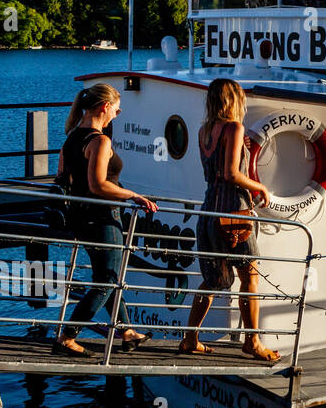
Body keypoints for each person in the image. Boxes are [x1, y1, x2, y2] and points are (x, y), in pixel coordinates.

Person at [53, 85, 158, 357]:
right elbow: (99, 184)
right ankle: (67, 336)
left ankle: (127, 332)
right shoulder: (99, 141)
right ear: (104, 107)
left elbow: (62, 177)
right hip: (103, 217)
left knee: (106, 275)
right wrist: (134, 195)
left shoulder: (72, 137)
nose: (117, 113)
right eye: (116, 108)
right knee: (108, 281)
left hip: (80, 217)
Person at [179, 79, 279, 362]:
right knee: (250, 277)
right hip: (234, 210)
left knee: (213, 280)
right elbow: (231, 174)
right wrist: (259, 188)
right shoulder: (234, 128)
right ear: (233, 100)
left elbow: (216, 172)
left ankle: (190, 338)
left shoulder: (204, 131)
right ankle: (253, 342)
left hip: (210, 208)